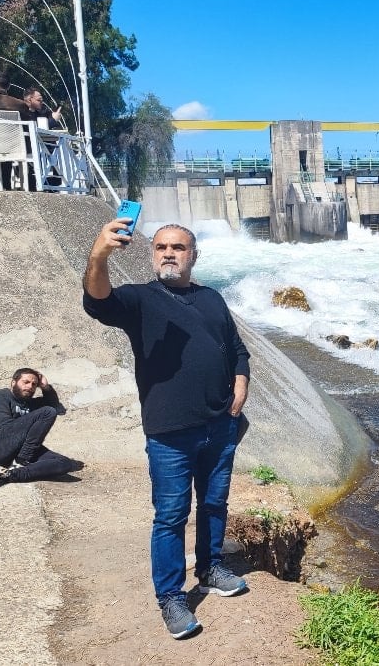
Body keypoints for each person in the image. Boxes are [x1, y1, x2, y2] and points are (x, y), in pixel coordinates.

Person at [83, 219, 251, 639]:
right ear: (152, 254)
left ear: (194, 255)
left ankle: (210, 568)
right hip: (170, 432)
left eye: (178, 247)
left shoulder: (211, 298)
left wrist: (240, 383)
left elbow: (236, 349)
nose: (169, 253)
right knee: (172, 516)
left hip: (219, 425)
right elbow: (98, 302)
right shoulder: (140, 300)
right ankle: (172, 598)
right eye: (161, 247)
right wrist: (100, 254)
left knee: (214, 503)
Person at [0, 368, 83, 488]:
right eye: (26, 382)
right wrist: (24, 455)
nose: (30, 387)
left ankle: (8, 475)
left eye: (34, 384)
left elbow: (55, 406)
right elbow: (5, 426)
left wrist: (45, 387)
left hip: (19, 449)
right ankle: (21, 461)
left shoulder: (30, 403)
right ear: (13, 382)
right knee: (47, 412)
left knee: (64, 463)